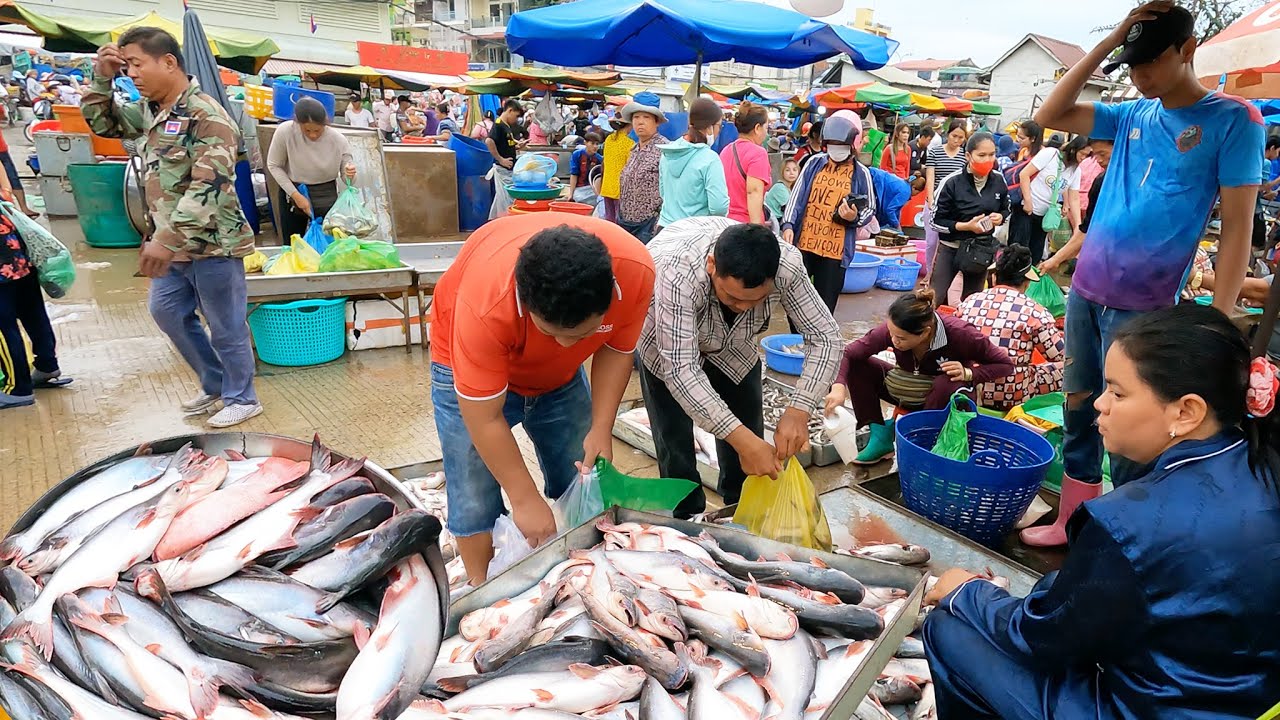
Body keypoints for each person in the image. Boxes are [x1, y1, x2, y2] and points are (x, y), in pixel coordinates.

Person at [922, 304, 1280, 720]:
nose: (1100, 405)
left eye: (1118, 392)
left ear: (1186, 412)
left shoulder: (1130, 521)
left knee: (950, 629)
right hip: (1247, 698)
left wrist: (966, 591)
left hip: (1151, 709)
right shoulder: (1260, 463)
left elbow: (1040, 637)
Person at [1025, 1, 1265, 546]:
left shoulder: (1234, 120)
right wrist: (1111, 42)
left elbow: (1237, 228)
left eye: (1149, 63)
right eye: (1131, 66)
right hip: (1087, 290)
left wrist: (1221, 316)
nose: (1139, 76)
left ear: (1187, 51)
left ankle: (1125, 539)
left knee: (1135, 429)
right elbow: (1051, 114)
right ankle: (1072, 521)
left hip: (1147, 307)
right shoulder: (1133, 112)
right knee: (1080, 407)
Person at [429, 214, 655, 583]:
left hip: (560, 381)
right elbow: (484, 417)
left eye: (582, 335)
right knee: (471, 486)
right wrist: (523, 497)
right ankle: (479, 587)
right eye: (552, 333)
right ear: (524, 300)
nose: (565, 346)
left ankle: (583, 573)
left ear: (611, 293)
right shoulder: (485, 304)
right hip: (465, 359)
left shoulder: (635, 271)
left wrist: (602, 426)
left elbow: (617, 349)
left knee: (582, 473)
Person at [83, 27, 261, 428]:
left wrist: (164, 240)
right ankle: (215, 384)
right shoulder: (151, 112)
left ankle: (242, 397)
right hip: (170, 244)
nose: (132, 74)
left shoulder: (206, 116)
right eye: (126, 66)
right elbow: (104, 124)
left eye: (137, 64)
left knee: (226, 327)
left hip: (213, 245)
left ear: (169, 62)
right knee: (166, 312)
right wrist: (102, 77)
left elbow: (209, 184)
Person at [639, 217, 840, 516]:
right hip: (665, 347)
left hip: (737, 348)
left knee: (748, 438)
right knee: (675, 443)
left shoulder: (787, 267)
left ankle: (740, 510)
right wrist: (744, 441)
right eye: (732, 297)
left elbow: (826, 337)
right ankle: (686, 517)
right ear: (711, 266)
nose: (743, 306)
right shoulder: (676, 275)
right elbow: (682, 371)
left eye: (755, 300)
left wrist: (800, 409)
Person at [823, 289, 1014, 464]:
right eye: (891, 334)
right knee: (857, 364)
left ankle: (924, 442)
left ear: (925, 333)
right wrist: (839, 386)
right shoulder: (895, 331)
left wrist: (970, 373)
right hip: (907, 387)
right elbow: (848, 353)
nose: (894, 341)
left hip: (942, 400)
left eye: (902, 338)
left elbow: (1005, 365)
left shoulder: (961, 334)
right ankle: (880, 435)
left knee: (945, 383)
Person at [781, 112, 879, 313]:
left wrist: (853, 218)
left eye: (841, 145)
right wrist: (788, 225)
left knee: (825, 307)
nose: (837, 150)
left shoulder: (862, 173)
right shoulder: (813, 163)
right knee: (795, 301)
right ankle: (795, 340)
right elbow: (797, 197)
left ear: (852, 145)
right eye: (832, 144)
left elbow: (869, 208)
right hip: (805, 244)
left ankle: (819, 343)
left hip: (836, 252)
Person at [956, 245, 1065, 410]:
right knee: (1069, 368)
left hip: (968, 387)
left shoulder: (969, 302)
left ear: (994, 279)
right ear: (1027, 283)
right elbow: (1060, 356)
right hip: (1012, 394)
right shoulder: (1035, 312)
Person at [930, 132, 1010, 303]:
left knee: (972, 301)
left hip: (980, 250)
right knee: (935, 298)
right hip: (951, 248)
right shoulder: (951, 182)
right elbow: (935, 221)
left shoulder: (999, 180)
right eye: (981, 155)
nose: (988, 160)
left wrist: (1000, 217)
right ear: (968, 155)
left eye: (992, 154)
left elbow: (1006, 209)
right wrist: (966, 226)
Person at [267, 97, 358, 245]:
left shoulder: (338, 140)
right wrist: (296, 195)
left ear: (325, 123)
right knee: (293, 243)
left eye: (317, 130)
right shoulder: (285, 132)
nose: (313, 135)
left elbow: (348, 177)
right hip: (293, 191)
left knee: (329, 243)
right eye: (307, 130)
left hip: (326, 193)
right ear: (298, 123)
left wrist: (350, 174)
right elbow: (274, 165)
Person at [0, 212, 63, 409]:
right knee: (34, 315)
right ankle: (47, 366)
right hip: (19, 258)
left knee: (4, 328)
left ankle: (17, 388)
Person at [1040, 137, 1115, 275]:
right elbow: (1085, 230)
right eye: (1094, 155)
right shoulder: (1100, 183)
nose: (1097, 160)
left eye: (1102, 154)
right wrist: (1056, 259)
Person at [1012, 135, 1088, 265]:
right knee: (1018, 251)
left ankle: (1029, 284)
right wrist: (1028, 201)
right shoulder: (1051, 154)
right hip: (1026, 210)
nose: (1084, 158)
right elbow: (1024, 174)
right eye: (1083, 154)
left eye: (1087, 156)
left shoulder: (1076, 170)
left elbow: (1074, 197)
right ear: (1073, 149)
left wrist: (1078, 226)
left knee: (1035, 253)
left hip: (1045, 216)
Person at [658, 97, 728, 227]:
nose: (719, 131)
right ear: (709, 127)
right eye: (719, 125)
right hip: (694, 232)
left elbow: (663, 193)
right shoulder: (710, 158)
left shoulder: (668, 152)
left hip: (664, 229)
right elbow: (718, 206)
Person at [617, 92, 669, 243]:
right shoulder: (634, 149)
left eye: (646, 117)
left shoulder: (665, 149)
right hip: (625, 222)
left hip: (649, 226)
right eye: (636, 117)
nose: (640, 122)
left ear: (656, 121)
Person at [923, 123, 969, 277]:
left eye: (960, 137)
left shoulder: (964, 156)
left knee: (947, 243)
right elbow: (930, 177)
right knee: (931, 242)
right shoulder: (935, 152)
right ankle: (929, 273)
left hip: (954, 206)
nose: (956, 140)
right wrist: (931, 199)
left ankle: (940, 275)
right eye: (953, 135)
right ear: (947, 134)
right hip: (935, 202)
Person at [720, 102, 772, 225]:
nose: (766, 133)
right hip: (745, 225)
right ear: (757, 128)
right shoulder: (758, 154)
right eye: (766, 128)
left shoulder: (726, 150)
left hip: (724, 221)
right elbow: (753, 192)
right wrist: (755, 231)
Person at [486, 99, 525, 220]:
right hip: (503, 168)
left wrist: (518, 146)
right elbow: (489, 141)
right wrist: (500, 159)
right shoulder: (498, 124)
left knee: (501, 198)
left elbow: (506, 143)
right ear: (510, 110)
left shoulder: (506, 126)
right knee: (507, 198)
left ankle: (495, 219)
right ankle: (504, 220)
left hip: (508, 168)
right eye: (516, 115)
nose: (517, 119)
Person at [599, 114, 634, 224]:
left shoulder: (609, 139)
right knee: (620, 224)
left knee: (610, 221)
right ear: (629, 125)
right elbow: (630, 169)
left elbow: (604, 164)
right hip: (621, 189)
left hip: (607, 187)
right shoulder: (630, 143)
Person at [567, 131, 604, 205]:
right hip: (579, 189)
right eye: (592, 143)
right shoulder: (577, 155)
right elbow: (574, 174)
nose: (595, 146)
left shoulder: (599, 159)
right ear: (585, 143)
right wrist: (571, 194)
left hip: (592, 189)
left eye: (597, 144)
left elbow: (600, 178)